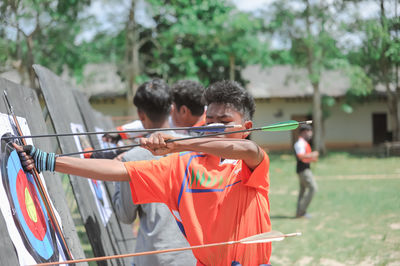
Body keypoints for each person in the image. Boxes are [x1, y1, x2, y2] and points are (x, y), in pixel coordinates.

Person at [15, 80, 272, 266]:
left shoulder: (250, 163)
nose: (215, 126)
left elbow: (246, 149)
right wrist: (51, 161)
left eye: (225, 121)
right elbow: (119, 170)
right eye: (210, 121)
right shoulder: (182, 166)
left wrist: (177, 142)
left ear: (246, 127)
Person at [113, 79, 196, 266]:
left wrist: (114, 172)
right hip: (194, 256)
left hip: (154, 257)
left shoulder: (133, 157)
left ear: (141, 114)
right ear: (172, 109)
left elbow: (125, 215)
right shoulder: (195, 147)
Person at [293, 124, 319, 218]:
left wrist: (312, 159)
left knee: (303, 191)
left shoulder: (303, 143)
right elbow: (301, 156)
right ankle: (301, 211)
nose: (311, 134)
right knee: (313, 188)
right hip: (303, 170)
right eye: (309, 131)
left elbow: (305, 157)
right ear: (304, 132)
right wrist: (313, 154)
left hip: (304, 169)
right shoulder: (300, 143)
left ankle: (299, 212)